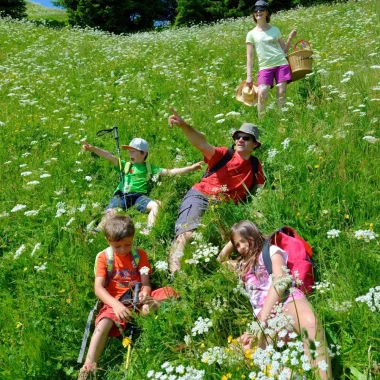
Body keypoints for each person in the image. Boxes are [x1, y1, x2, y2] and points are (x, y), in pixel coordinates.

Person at [219, 220, 332, 380]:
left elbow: (281, 280)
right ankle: (297, 375)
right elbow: (221, 260)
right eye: (237, 245)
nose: (241, 247)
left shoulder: (271, 250)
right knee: (238, 353)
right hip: (264, 321)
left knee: (310, 323)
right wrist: (233, 238)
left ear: (253, 235)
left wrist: (261, 321)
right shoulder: (241, 266)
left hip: (285, 301)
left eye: (244, 241)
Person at [168, 107, 265, 274]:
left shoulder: (256, 165)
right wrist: (184, 126)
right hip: (201, 195)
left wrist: (257, 210)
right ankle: (176, 276)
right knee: (187, 235)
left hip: (224, 209)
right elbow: (201, 142)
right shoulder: (224, 154)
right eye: (237, 137)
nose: (240, 140)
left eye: (245, 138)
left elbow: (257, 192)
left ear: (255, 144)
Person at [78, 215, 152, 379]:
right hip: (115, 301)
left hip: (137, 299)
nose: (124, 250)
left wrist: (145, 291)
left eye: (128, 244)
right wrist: (116, 305)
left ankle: (147, 323)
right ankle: (88, 366)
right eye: (117, 246)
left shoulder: (140, 255)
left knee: (155, 302)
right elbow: (98, 288)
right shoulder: (104, 258)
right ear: (108, 240)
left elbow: (146, 282)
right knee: (103, 323)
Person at [81, 138, 202, 234]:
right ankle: (97, 230)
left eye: (133, 151)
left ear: (143, 154)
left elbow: (170, 172)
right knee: (112, 211)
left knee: (157, 205)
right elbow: (109, 156)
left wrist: (191, 168)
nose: (130, 154)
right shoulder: (126, 165)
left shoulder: (150, 168)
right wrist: (92, 149)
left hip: (139, 197)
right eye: (129, 151)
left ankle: (149, 229)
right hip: (122, 195)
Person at [246, 0, 297, 118]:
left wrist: (290, 38)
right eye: (255, 10)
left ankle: (281, 119)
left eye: (261, 9)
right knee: (262, 93)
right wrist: (249, 76)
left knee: (281, 93)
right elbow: (249, 56)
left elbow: (284, 50)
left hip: (281, 64)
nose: (258, 11)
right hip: (265, 67)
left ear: (267, 13)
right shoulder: (251, 34)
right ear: (253, 14)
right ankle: (261, 120)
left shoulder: (275, 29)